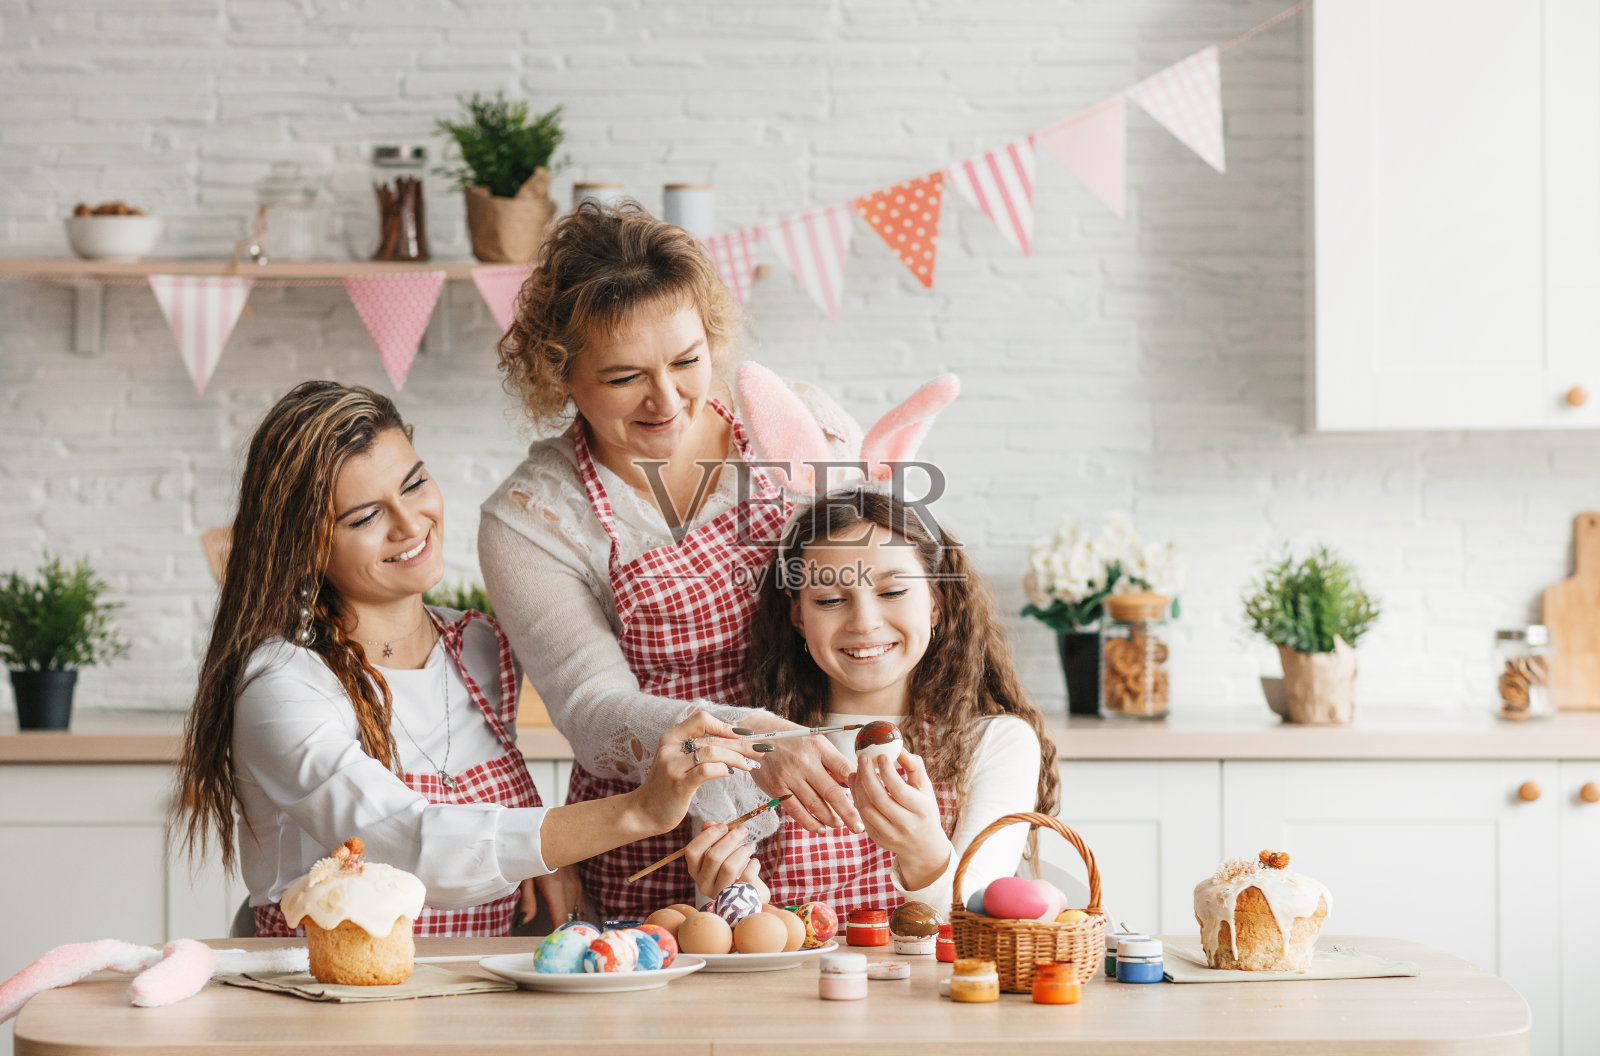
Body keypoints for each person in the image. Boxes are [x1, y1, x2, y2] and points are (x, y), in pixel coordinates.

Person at [173, 381, 759, 937]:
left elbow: (490, 822)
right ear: (302, 546)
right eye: (365, 517)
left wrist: (548, 858)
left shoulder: (481, 646)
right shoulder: (282, 685)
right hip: (332, 993)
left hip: (477, 988)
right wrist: (639, 811)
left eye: (413, 485)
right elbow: (410, 845)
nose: (410, 524)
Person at [480, 200, 865, 921]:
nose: (666, 399)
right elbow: (594, 713)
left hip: (831, 805)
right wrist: (754, 740)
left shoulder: (795, 426)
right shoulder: (533, 518)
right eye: (624, 376)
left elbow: (889, 597)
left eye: (687, 361)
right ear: (560, 373)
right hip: (662, 843)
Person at [683, 487, 1060, 916]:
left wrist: (924, 852)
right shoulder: (751, 746)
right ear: (799, 617)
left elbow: (981, 921)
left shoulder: (996, 742)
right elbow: (721, 927)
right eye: (830, 600)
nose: (864, 623)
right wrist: (736, 900)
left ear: (936, 604)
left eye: (893, 592)